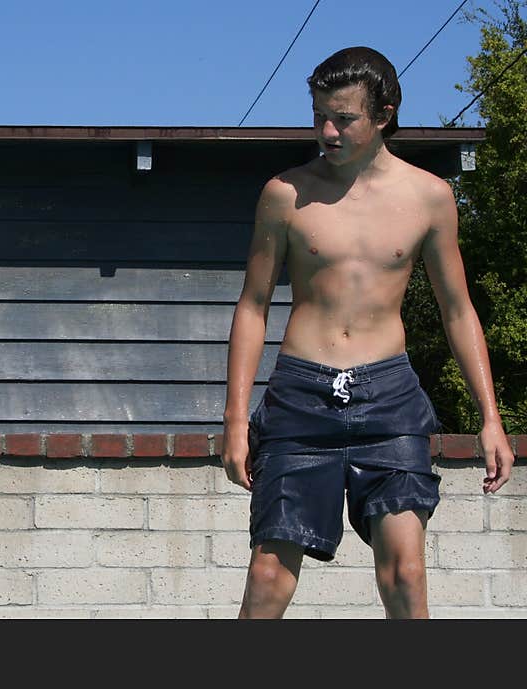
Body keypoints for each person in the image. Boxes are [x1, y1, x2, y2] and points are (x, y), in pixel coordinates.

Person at [221, 46, 515, 619]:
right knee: (268, 576)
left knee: (405, 573)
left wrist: (490, 417)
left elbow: (457, 309)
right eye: (318, 116)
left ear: (384, 113)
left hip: (390, 398)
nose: (327, 131)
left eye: (344, 118)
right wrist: (235, 420)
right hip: (302, 398)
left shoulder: (428, 196)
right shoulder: (285, 194)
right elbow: (253, 305)